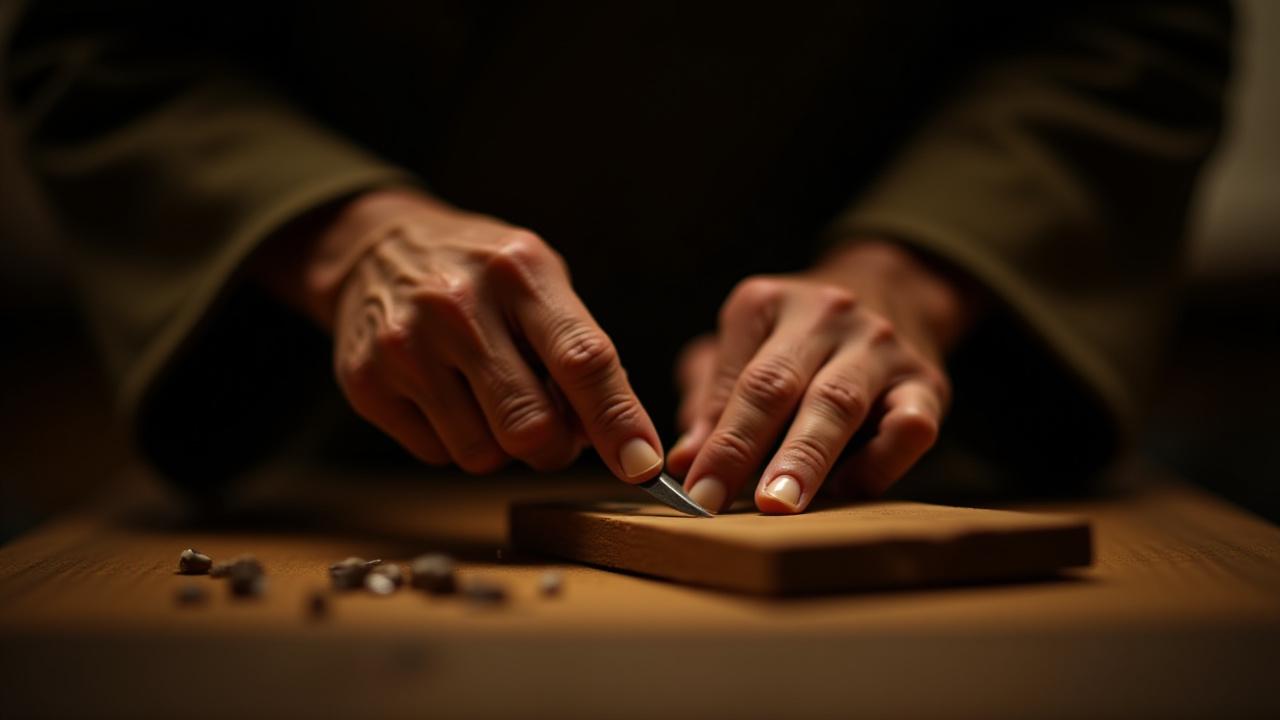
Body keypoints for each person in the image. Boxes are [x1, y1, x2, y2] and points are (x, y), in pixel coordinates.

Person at [5, 2, 1231, 512]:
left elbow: (1129, 28)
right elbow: (99, 43)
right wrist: (337, 235)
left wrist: (916, 267)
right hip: (342, 475)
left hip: (916, 471)